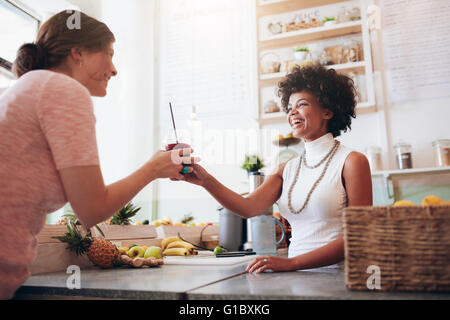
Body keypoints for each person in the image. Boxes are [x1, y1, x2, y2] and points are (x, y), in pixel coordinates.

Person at [0, 11, 196, 299]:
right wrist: (153, 169)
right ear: (77, 52)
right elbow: (91, 209)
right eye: (109, 54)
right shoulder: (62, 89)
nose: (114, 69)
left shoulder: (24, 89)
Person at [179, 65, 373, 273]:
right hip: (293, 278)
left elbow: (358, 235)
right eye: (290, 107)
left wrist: (293, 262)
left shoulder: (352, 162)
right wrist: (205, 180)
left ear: (328, 111)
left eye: (302, 104)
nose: (293, 113)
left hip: (338, 277)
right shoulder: (287, 169)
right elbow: (248, 207)